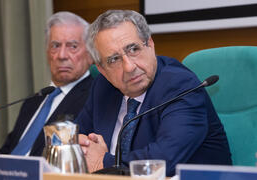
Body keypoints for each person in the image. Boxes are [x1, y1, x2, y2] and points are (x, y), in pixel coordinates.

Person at [75, 10, 232, 176]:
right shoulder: (103, 87)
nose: (129, 67)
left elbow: (164, 160)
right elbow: (76, 135)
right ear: (102, 70)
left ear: (150, 44)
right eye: (114, 59)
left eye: (133, 49)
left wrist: (103, 162)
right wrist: (78, 146)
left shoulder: (180, 86)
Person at [0, 11, 94, 156]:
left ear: (90, 54)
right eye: (55, 46)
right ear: (47, 51)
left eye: (72, 46)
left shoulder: (95, 98)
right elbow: (8, 151)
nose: (62, 55)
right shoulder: (33, 101)